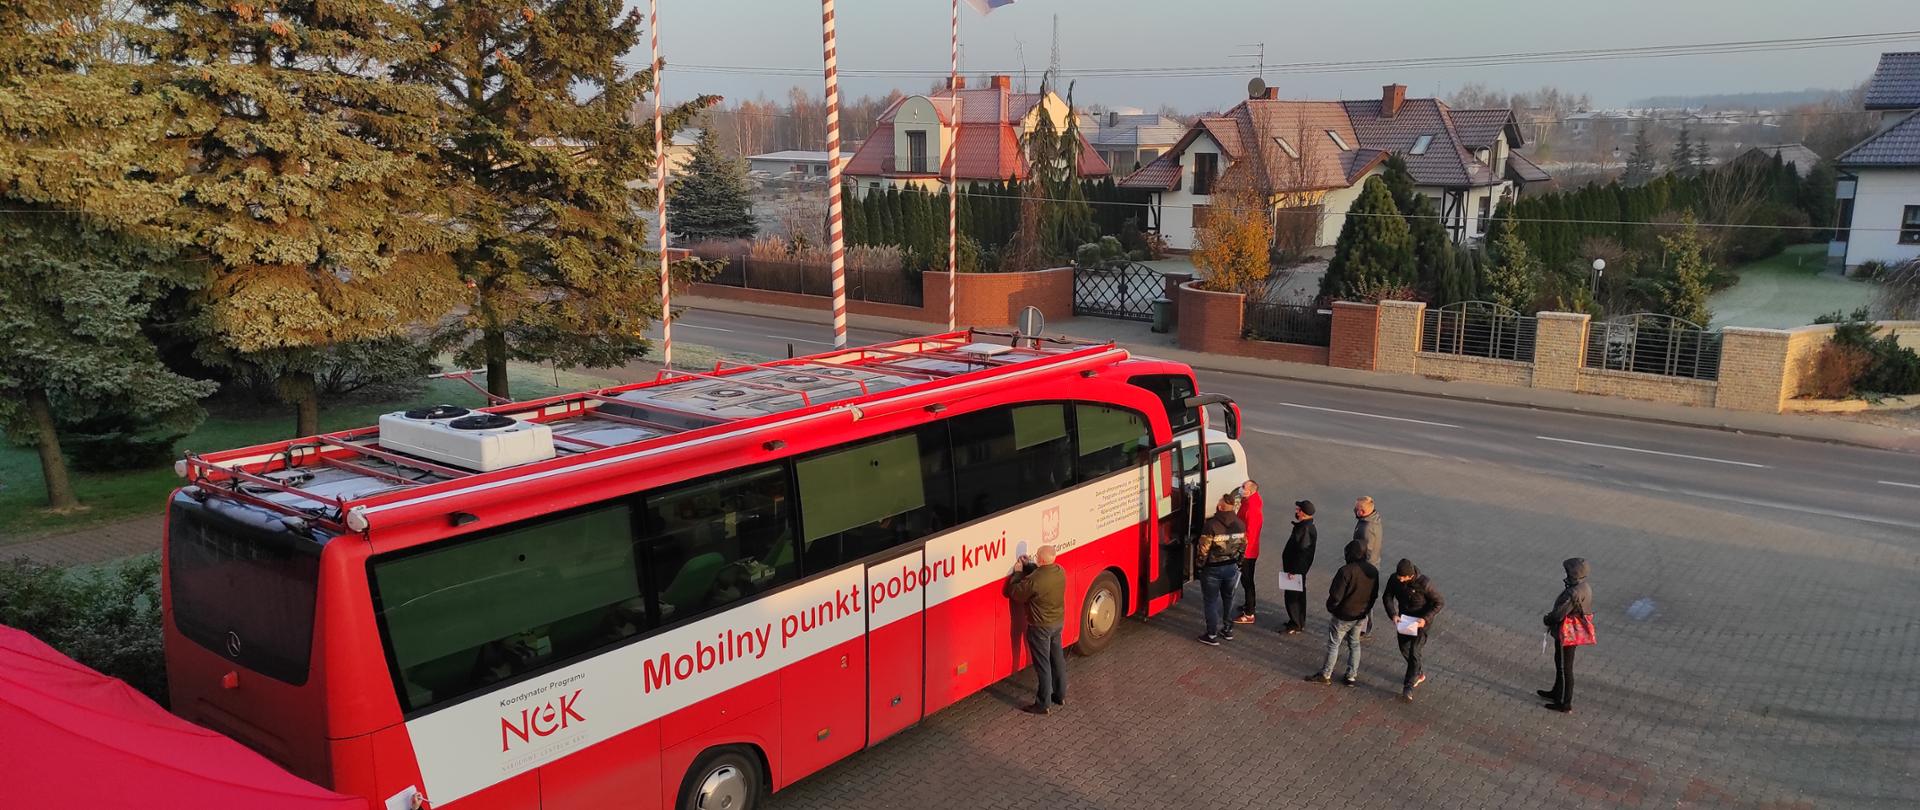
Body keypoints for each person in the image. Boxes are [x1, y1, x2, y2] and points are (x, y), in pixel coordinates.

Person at [1303, 540, 1378, 686]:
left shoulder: (1345, 571)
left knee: (1334, 644)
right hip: (1361, 614)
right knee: (1354, 643)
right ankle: (1351, 676)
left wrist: (1332, 608)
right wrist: (1366, 610)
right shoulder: (1373, 571)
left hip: (1343, 615)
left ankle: (1326, 674)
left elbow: (1336, 595)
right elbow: (1374, 595)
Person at [1007, 545, 1068, 715]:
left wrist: (1017, 573)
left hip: (1040, 627)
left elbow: (1015, 592)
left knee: (1043, 665)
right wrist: (1030, 565)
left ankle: (1043, 704)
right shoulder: (1060, 571)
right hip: (1057, 623)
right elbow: (1042, 574)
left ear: (1040, 560)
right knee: (1057, 660)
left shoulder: (1036, 580)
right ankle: (1060, 695)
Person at [1382, 558, 1445, 702]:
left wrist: (1425, 619)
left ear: (1410, 576)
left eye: (1402, 577)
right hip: (1404, 620)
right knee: (1404, 648)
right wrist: (1393, 614)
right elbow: (1387, 596)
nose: (1399, 579)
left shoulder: (1425, 584)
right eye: (1398, 576)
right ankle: (1418, 672)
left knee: (1415, 651)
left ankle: (1408, 686)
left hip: (1420, 623)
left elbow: (1439, 602)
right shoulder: (1394, 579)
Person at [1539, 558, 1593, 713]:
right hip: (1571, 632)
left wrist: (1547, 619)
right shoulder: (1584, 586)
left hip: (1567, 633)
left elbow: (1559, 614)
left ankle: (1564, 702)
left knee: (1564, 667)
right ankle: (1557, 692)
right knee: (1560, 663)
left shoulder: (1573, 592)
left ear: (1573, 574)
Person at [1195, 491, 1247, 646]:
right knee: (1228, 598)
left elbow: (1203, 549)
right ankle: (1228, 629)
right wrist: (1239, 562)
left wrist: (1199, 565)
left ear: (1219, 507)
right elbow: (1243, 545)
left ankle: (1211, 634)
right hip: (1231, 567)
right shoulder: (1240, 524)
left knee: (1211, 601)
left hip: (1212, 569)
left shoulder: (1211, 525)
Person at [1279, 500, 1318, 634]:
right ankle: (1297, 621)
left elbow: (1303, 553)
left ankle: (1296, 623)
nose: (1296, 511)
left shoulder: (1305, 529)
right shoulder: (1304, 526)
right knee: (1296, 595)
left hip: (1295, 571)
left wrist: (1294, 571)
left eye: (1298, 510)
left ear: (1303, 513)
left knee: (1293, 598)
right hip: (1296, 570)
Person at [1233, 481, 1265, 625]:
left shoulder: (1252, 509)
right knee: (1247, 580)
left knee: (1247, 581)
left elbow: (1250, 534)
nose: (1241, 489)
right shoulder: (1250, 502)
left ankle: (1249, 613)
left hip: (1248, 552)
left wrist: (1242, 552)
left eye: (1244, 487)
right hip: (1248, 549)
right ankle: (1249, 605)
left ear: (1251, 491)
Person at [1353, 496, 1384, 638]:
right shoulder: (1372, 519)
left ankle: (1364, 628)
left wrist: (1359, 570)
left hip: (1366, 568)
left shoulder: (1367, 528)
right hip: (1372, 564)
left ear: (1365, 510)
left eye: (1358, 509)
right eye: (1356, 508)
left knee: (1364, 598)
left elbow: (1367, 552)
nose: (1356, 511)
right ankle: (1363, 626)